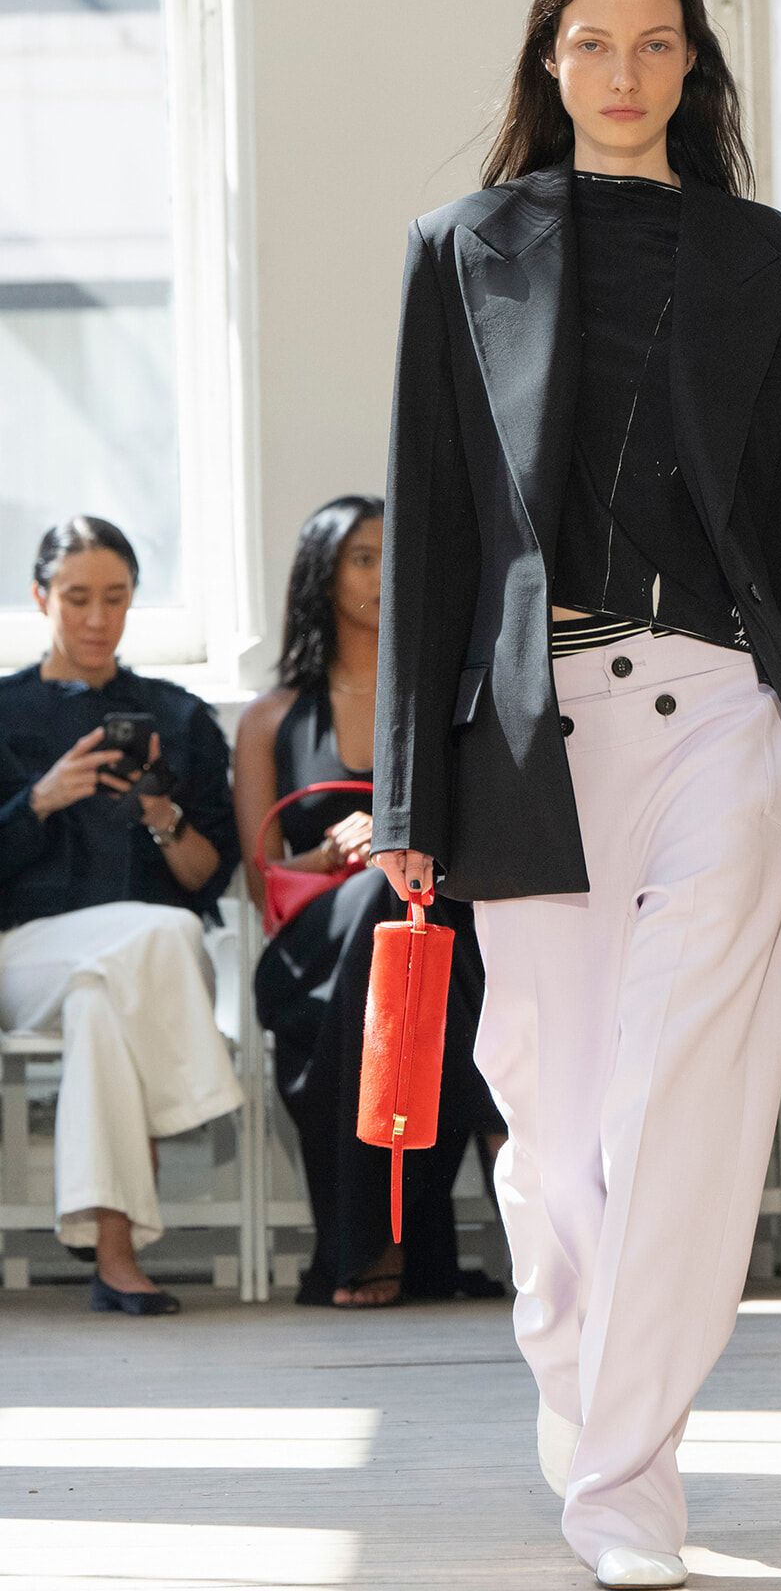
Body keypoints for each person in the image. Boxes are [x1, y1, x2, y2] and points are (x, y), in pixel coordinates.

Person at [370, 0, 781, 1590]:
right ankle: (595, 1398)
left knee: (684, 1104)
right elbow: (436, 540)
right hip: (534, 731)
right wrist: (404, 798)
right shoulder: (461, 252)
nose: (626, 74)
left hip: (731, 719)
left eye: (658, 43)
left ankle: (629, 1474)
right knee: (554, 1118)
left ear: (694, 65)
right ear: (548, 61)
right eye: (594, 42)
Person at [234, 496, 506, 1308]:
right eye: (363, 556)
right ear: (323, 575)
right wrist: (340, 851)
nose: (385, 574)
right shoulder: (271, 718)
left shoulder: (455, 697)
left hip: (439, 930)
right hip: (317, 953)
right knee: (382, 913)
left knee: (418, 925)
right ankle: (505, 1215)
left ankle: (376, 1240)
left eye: (398, 556)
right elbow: (263, 883)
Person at [0, 516, 243, 1314]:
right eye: (77, 599)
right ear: (41, 597)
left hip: (140, 975)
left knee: (104, 999)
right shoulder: (3, 712)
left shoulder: (177, 716)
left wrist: (163, 816)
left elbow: (209, 877)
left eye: (115, 597)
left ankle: (114, 1257)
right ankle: (194, 1102)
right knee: (158, 933)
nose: (98, 618)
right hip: (26, 955)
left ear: (135, 600)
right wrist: (41, 799)